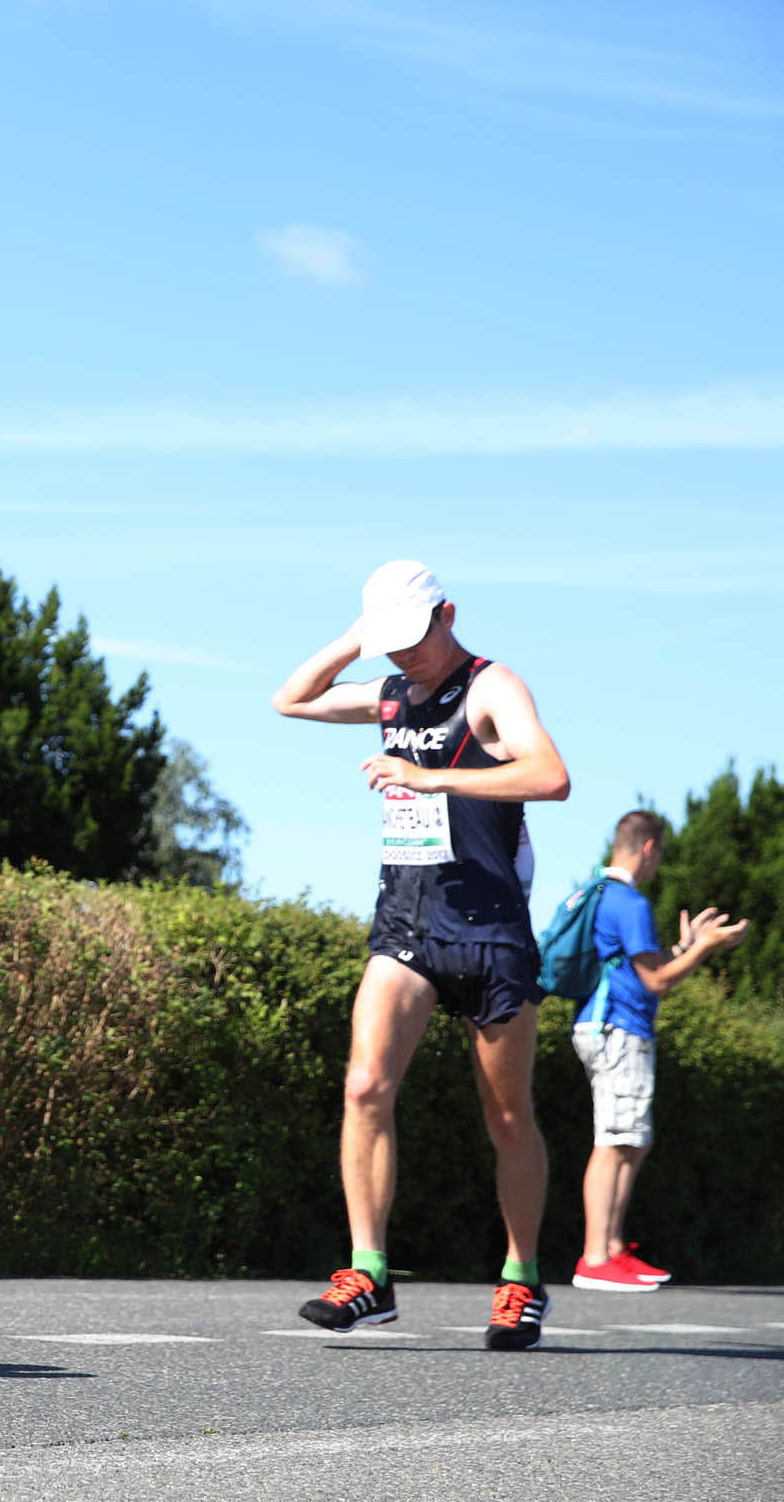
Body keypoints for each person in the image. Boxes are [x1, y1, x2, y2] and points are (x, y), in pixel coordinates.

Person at [271, 559, 571, 1350]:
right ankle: (369, 1272)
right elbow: (290, 699)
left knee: (507, 1115)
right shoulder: (389, 691)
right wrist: (353, 639)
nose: (404, 654)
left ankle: (521, 1277)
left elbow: (551, 776)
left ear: (448, 613)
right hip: (408, 919)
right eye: (390, 640)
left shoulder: (492, 686)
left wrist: (432, 778)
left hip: (490, 925)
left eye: (413, 635)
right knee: (365, 1084)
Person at [568, 810, 752, 1292]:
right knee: (614, 1141)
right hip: (618, 1028)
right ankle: (595, 1257)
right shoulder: (629, 902)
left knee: (632, 1139)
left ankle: (612, 1249)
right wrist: (706, 948)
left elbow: (643, 967)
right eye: (660, 853)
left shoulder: (600, 895)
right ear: (649, 848)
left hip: (606, 1024)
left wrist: (685, 946)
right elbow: (657, 981)